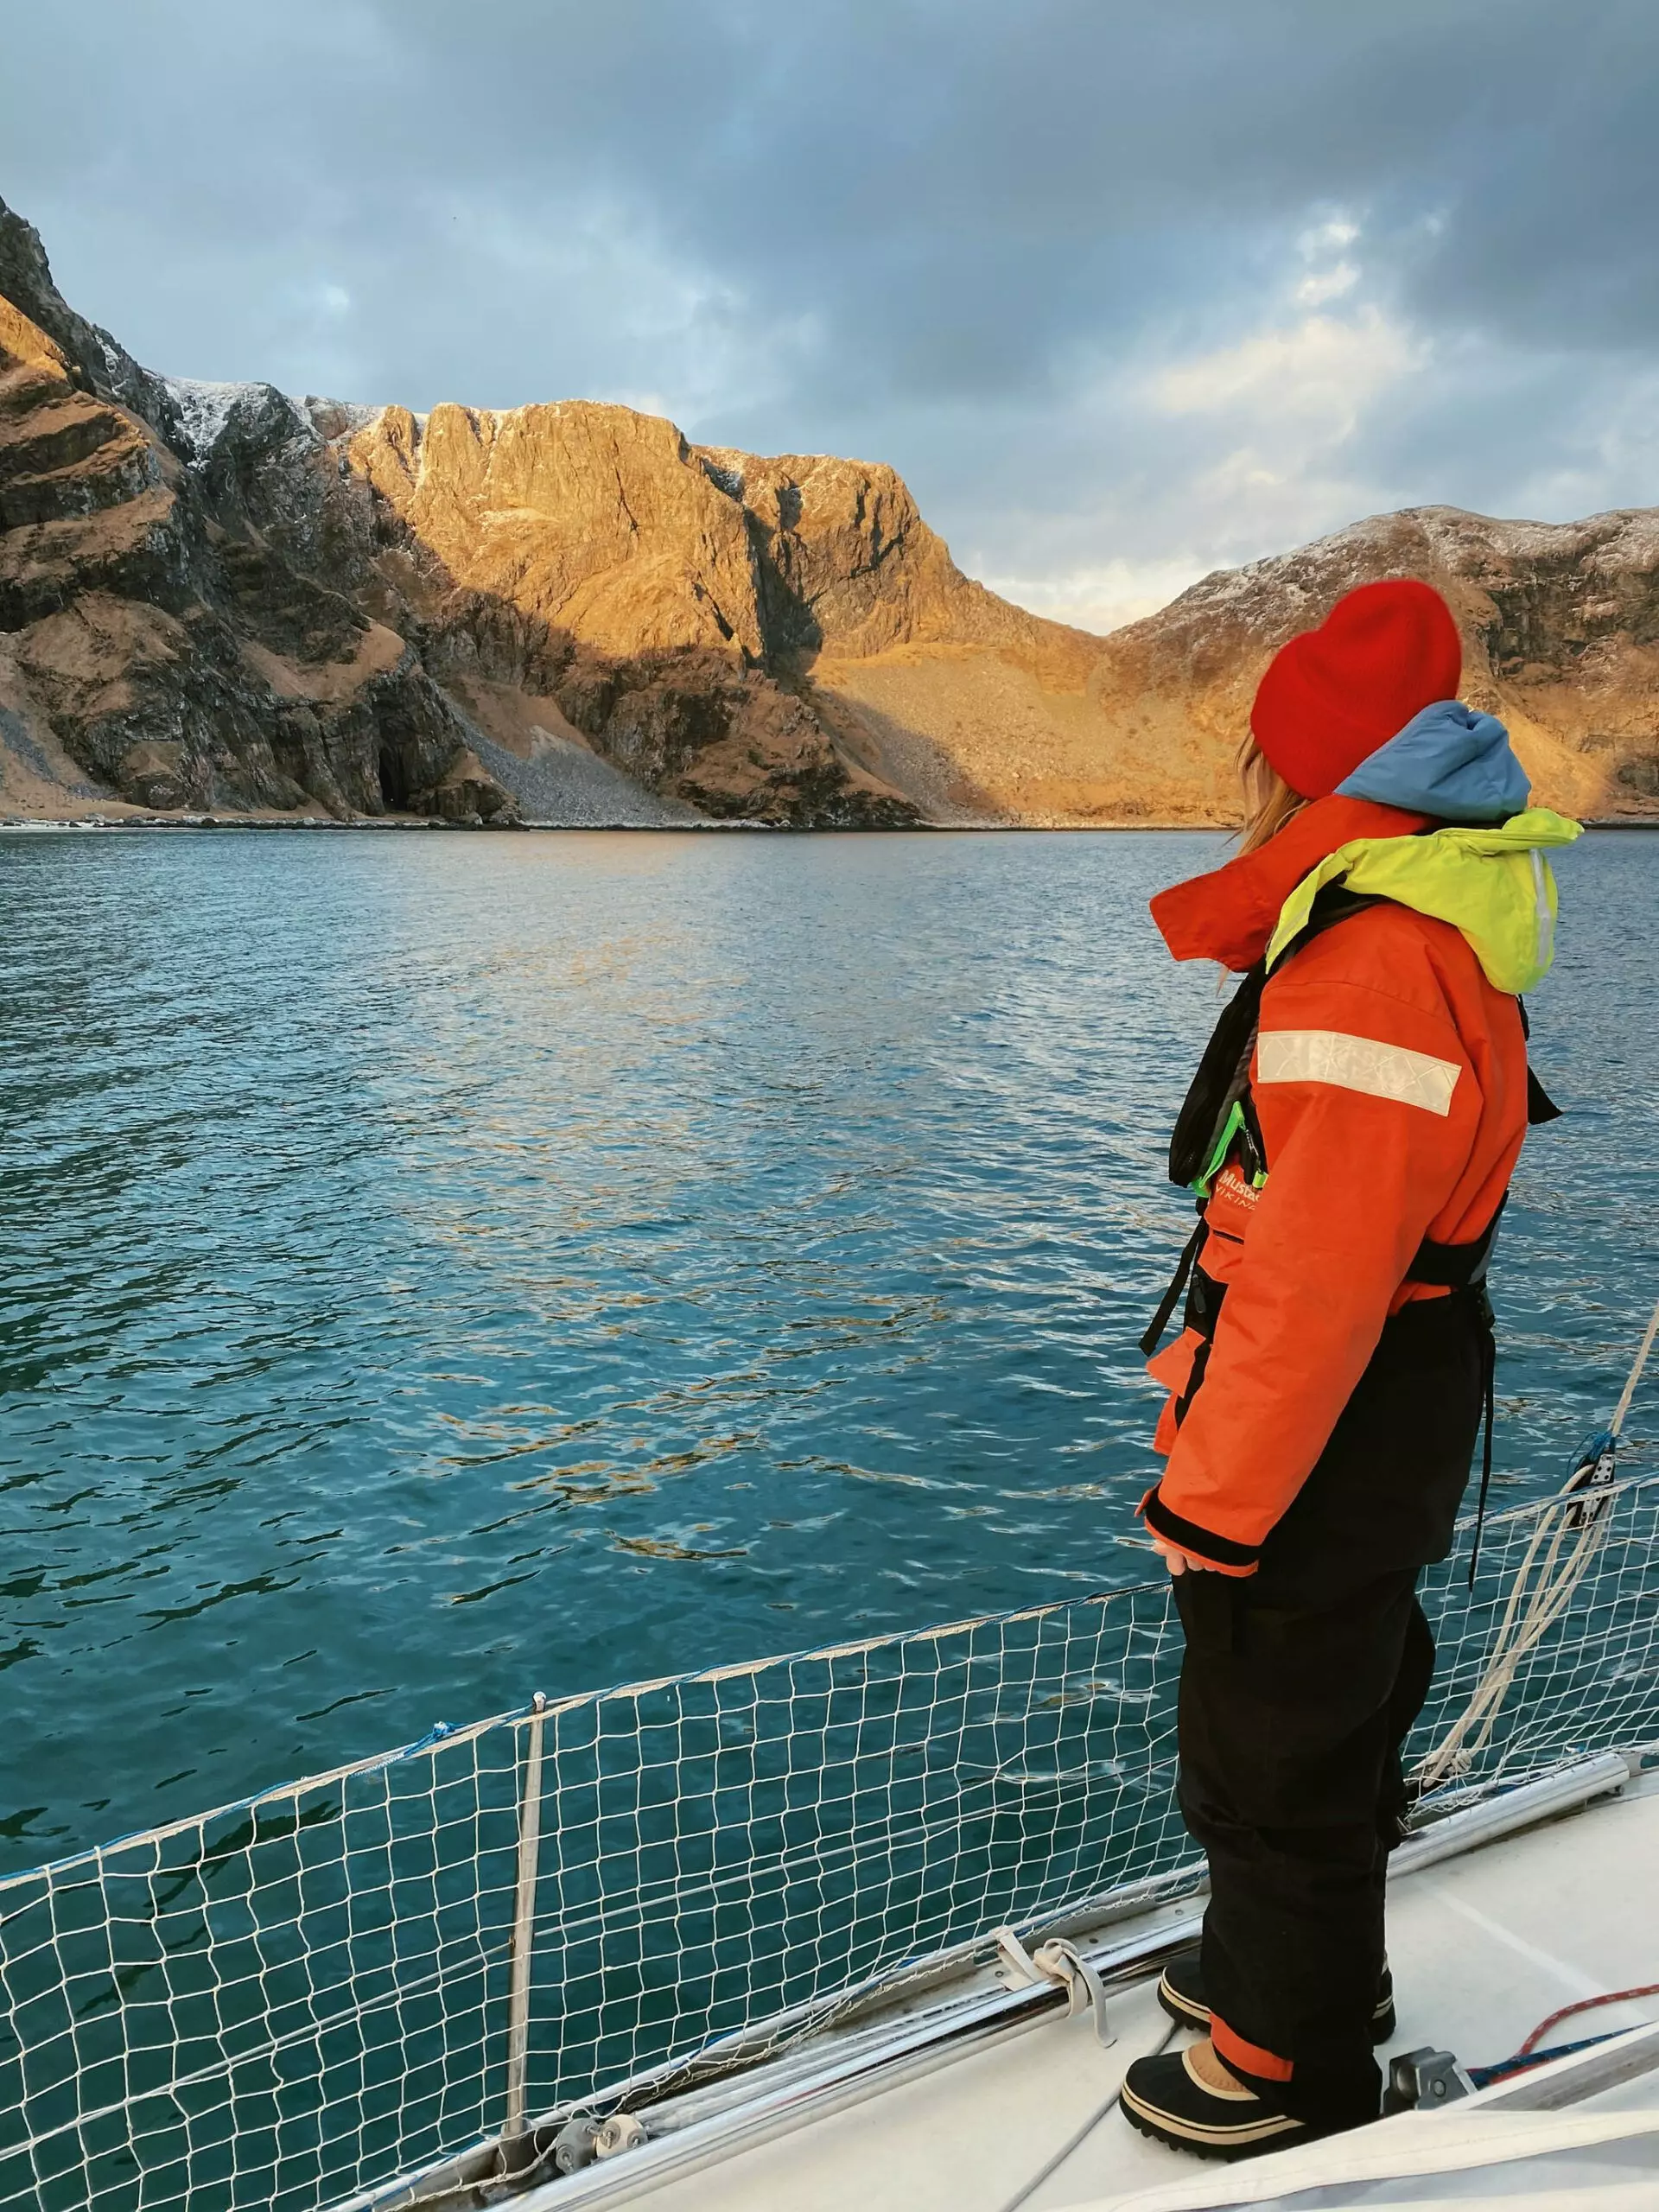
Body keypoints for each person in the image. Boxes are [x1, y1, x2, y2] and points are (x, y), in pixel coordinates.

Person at [1116, 578, 1580, 2160]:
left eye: (1264, 758)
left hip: (1336, 1399)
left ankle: (1288, 2060)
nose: (1245, 786)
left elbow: (1313, 1288)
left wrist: (1214, 1503)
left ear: (1317, 773)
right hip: (1397, 1382)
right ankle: (1296, 1972)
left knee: (1274, 1725)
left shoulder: (1368, 960)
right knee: (1337, 1696)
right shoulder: (1422, 919)